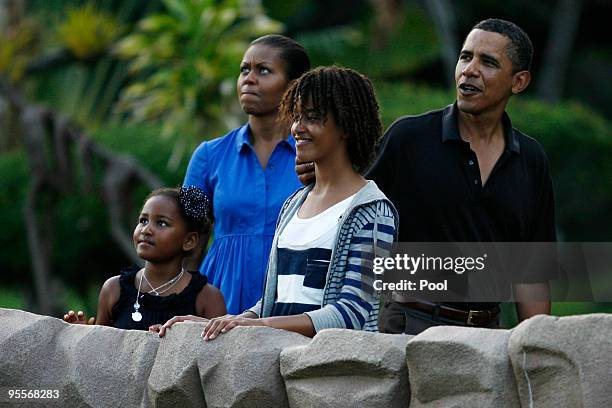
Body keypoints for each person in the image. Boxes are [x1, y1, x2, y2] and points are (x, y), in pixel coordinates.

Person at [297, 19, 557, 334]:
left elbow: (531, 271)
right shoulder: (409, 138)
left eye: (487, 62)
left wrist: (538, 343)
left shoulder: (531, 159)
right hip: (409, 325)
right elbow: (349, 213)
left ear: (519, 81)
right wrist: (322, 172)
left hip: (489, 333)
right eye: (465, 57)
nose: (469, 70)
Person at [157, 66, 398, 339]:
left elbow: (353, 312)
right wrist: (219, 320)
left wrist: (254, 324)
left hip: (331, 367)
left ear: (346, 124)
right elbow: (192, 224)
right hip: (267, 344)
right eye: (296, 117)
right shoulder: (213, 156)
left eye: (312, 118)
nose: (298, 127)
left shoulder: (371, 210)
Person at [182, 35, 311, 315]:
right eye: (244, 70)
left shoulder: (315, 155)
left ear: (294, 86)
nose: (249, 79)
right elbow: (189, 235)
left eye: (263, 70)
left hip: (293, 297)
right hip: (219, 296)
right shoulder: (207, 156)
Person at [63, 187, 226, 330]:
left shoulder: (207, 298)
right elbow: (102, 353)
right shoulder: (114, 290)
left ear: (189, 241)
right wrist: (83, 334)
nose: (146, 230)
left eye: (162, 223)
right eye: (143, 220)